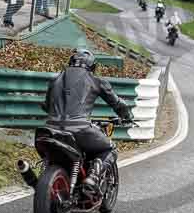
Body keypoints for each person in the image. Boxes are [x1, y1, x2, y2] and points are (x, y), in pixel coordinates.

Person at [41, 49, 133, 196]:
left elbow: (46, 106)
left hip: (50, 129)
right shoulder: (96, 81)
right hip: (80, 129)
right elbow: (117, 104)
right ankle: (93, 177)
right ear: (93, 66)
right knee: (110, 149)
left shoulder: (54, 79)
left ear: (70, 63)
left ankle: (48, 174)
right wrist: (127, 116)